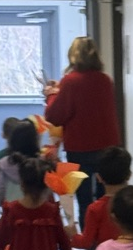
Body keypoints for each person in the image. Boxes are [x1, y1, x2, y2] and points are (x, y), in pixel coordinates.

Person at [44, 36, 122, 229]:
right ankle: (107, 238)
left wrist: (52, 95)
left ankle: (91, 244)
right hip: (107, 147)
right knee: (107, 198)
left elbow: (55, 116)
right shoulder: (105, 80)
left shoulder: (70, 82)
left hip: (80, 149)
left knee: (84, 200)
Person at [66, 145, 131, 250]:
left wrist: (73, 235)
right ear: (129, 175)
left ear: (98, 178)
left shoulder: (95, 209)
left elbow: (86, 243)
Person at [0, 119, 40, 213]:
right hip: (37, 211)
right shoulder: (41, 163)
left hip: (12, 211)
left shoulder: (5, 163)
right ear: (35, 140)